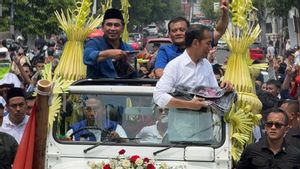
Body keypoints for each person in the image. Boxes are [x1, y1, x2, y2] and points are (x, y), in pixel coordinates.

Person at [153, 24, 233, 110]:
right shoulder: (175, 66)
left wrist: (224, 89)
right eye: (208, 43)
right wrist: (189, 104)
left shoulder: (206, 64)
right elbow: (159, 96)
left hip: (205, 121)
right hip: (180, 122)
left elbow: (213, 93)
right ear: (195, 43)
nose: (210, 48)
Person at [153, 0, 229, 78]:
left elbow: (219, 31)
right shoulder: (164, 50)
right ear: (169, 34)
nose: (178, 33)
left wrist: (225, 13)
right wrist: (188, 82)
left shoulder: (199, 45)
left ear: (189, 32)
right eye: (174, 31)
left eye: (182, 30)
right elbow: (159, 72)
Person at [84, 8, 136, 79]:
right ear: (102, 27)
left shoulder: (128, 49)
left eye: (116, 25)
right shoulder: (94, 43)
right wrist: (111, 54)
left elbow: (133, 77)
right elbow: (87, 57)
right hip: (97, 88)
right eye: (109, 25)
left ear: (123, 28)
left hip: (123, 89)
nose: (112, 28)